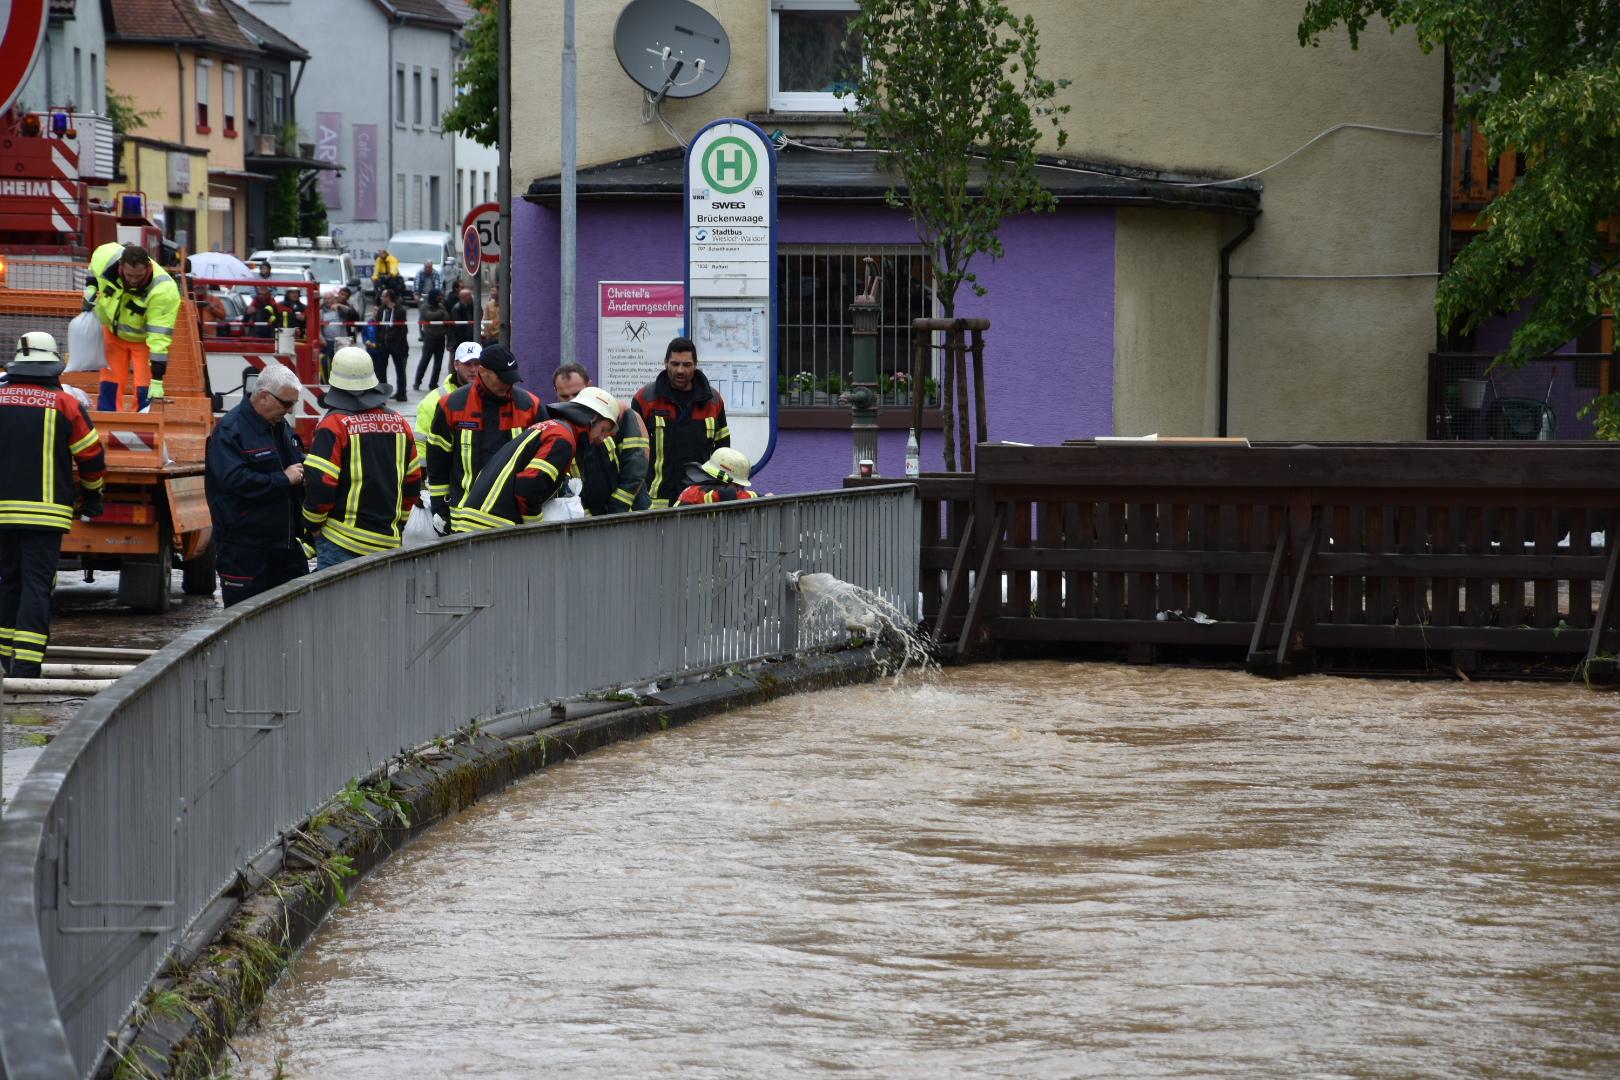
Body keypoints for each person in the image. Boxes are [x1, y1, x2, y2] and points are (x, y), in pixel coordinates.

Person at [0, 333, 106, 678]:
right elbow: (90, 456)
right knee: (36, 584)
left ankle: (3, 659)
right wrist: (93, 497)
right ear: (52, 366)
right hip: (45, 515)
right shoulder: (65, 404)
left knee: (7, 581)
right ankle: (26, 668)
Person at [302, 347, 424, 568]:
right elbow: (413, 482)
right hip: (387, 541)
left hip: (342, 542)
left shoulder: (334, 424)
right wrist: (400, 521)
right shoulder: (400, 423)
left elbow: (320, 484)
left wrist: (312, 524)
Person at [204, 362, 308, 607]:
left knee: (296, 614)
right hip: (244, 549)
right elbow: (233, 480)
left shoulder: (279, 426)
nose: (290, 410)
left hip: (283, 547)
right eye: (286, 403)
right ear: (263, 397)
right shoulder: (231, 430)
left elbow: (295, 470)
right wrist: (283, 479)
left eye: (293, 403)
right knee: (245, 620)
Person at [452, 387, 620, 532]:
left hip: (479, 521)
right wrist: (536, 527)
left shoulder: (552, 428)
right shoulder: (563, 439)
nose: (603, 438)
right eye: (604, 429)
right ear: (591, 418)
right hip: (494, 525)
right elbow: (529, 485)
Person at [424, 343, 542, 533]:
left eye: (512, 379)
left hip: (513, 517)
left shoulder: (530, 405)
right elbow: (438, 461)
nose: (508, 385)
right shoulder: (452, 405)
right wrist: (439, 507)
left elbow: (544, 455)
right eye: (503, 379)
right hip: (465, 517)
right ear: (483, 371)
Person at [632, 336, 730, 509]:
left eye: (686, 365)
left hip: (698, 498)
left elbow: (722, 452)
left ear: (695, 364)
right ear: (665, 363)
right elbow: (633, 454)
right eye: (674, 364)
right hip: (655, 501)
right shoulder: (645, 399)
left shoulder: (713, 401)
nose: (680, 370)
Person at [84, 242, 181, 409]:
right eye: (129, 275)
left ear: (149, 267)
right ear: (120, 266)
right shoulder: (105, 257)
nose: (133, 280)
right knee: (109, 384)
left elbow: (159, 338)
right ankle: (108, 422)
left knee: (145, 389)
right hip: (112, 334)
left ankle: (142, 427)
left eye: (139, 276)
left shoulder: (163, 291)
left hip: (143, 342)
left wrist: (157, 380)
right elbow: (94, 269)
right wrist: (91, 287)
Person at [553, 361, 649, 514]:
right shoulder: (560, 427)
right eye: (564, 396)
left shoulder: (620, 413)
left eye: (577, 394)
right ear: (555, 392)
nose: (572, 401)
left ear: (590, 386)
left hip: (631, 510)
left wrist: (617, 509)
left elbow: (635, 466)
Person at [676, 447, 758, 505]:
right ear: (725, 479)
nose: (738, 489)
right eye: (736, 485)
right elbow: (729, 494)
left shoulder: (700, 487)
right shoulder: (702, 491)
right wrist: (763, 498)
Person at [370, 289, 409, 401]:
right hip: (383, 344)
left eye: (383, 296)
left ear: (389, 297)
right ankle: (383, 393)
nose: (382, 298)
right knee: (381, 370)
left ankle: (401, 393)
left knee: (400, 369)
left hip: (397, 345)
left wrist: (397, 342)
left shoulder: (400, 310)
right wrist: (380, 340)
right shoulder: (381, 310)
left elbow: (403, 329)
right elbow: (378, 325)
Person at [414, 288, 450, 391]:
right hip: (430, 337)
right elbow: (429, 316)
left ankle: (433, 383)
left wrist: (440, 313)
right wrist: (440, 313)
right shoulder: (425, 306)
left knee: (438, 363)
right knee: (425, 360)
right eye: (438, 296)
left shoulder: (441, 306)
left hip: (440, 337)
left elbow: (447, 317)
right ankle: (417, 382)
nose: (440, 298)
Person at [448, 285, 477, 353]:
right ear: (465, 297)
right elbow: (457, 327)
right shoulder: (456, 309)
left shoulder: (472, 306)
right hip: (460, 340)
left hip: (469, 338)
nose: (472, 297)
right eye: (470, 295)